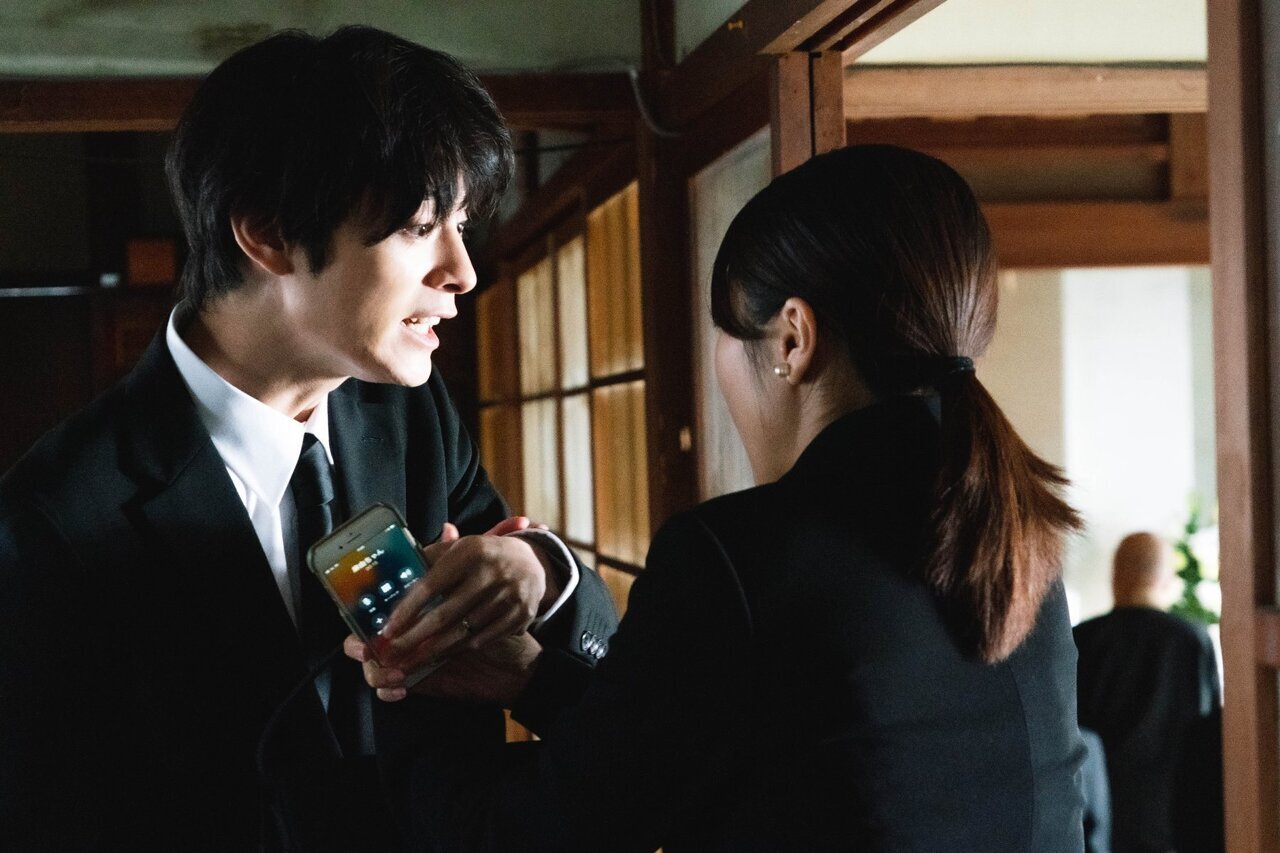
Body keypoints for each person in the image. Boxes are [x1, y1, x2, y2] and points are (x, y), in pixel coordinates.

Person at [351, 144, 1088, 851]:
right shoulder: (1017, 535)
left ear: (793, 339)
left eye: (728, 334)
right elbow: (765, 751)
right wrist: (536, 681)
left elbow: (535, 834)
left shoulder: (740, 557)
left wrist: (409, 694)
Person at [0, 26, 615, 852]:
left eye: (463, 222)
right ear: (267, 231)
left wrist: (539, 571)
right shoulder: (52, 521)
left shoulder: (412, 414)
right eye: (421, 225)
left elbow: (571, 671)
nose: (463, 270)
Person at [1074, 532, 1222, 853]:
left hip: (1100, 823)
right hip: (1173, 821)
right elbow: (1209, 738)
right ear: (1165, 580)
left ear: (1115, 577)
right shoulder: (1192, 641)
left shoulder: (1081, 640)